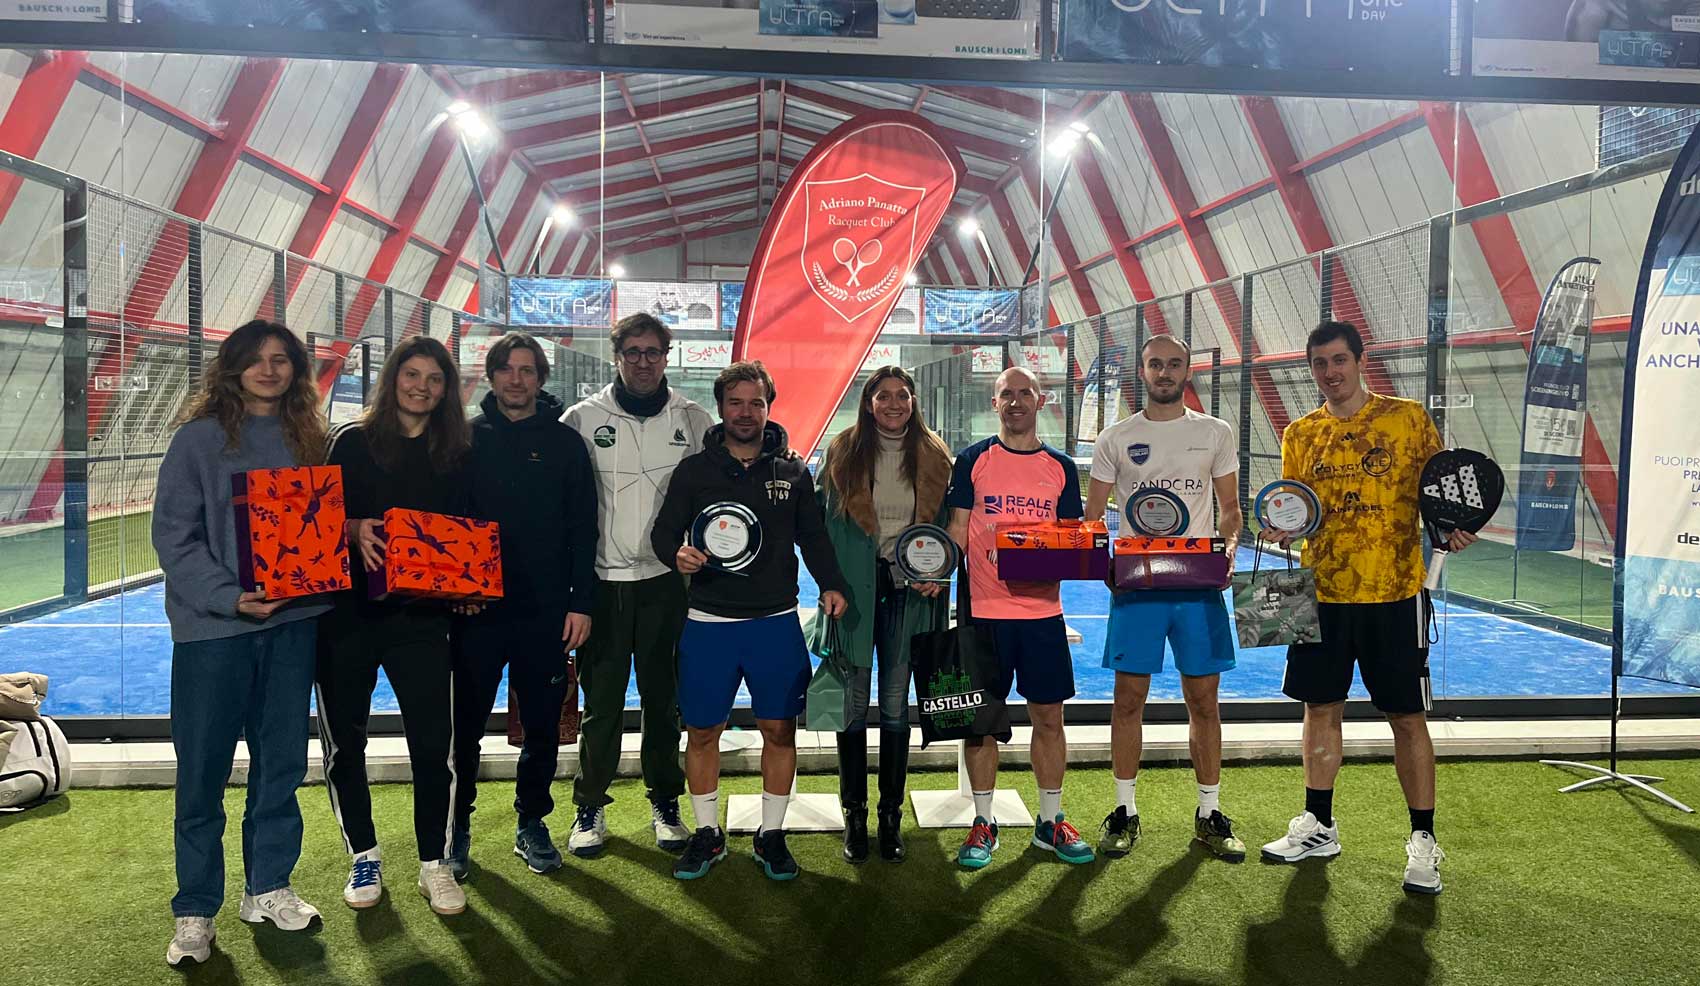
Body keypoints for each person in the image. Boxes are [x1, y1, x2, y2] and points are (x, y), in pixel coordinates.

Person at [1259, 321, 1476, 895]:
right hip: (1321, 594)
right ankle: (1319, 826)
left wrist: (1451, 528)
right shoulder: (1301, 434)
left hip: (1395, 595)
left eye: (1339, 360)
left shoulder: (1408, 420)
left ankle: (1423, 840)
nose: (1330, 372)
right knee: (1319, 710)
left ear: (1360, 361)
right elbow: (1295, 508)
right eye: (1319, 364)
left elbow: (1441, 494)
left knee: (1406, 717)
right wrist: (1280, 528)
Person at [153, 320, 331, 966]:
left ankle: (269, 887)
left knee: (280, 764)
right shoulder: (197, 441)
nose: (269, 369)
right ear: (232, 367)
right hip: (214, 632)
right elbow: (175, 538)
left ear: (296, 371)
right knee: (202, 772)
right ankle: (196, 908)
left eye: (282, 359)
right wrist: (230, 597)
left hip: (291, 627)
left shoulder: (311, 440)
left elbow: (322, 525)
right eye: (256, 359)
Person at [650, 360, 849, 882]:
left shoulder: (793, 471)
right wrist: (677, 554)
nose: (745, 412)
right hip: (708, 622)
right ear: (720, 408)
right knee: (701, 731)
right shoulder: (694, 472)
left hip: (774, 623)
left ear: (768, 407)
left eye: (755, 403)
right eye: (735, 402)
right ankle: (707, 833)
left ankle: (772, 834)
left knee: (780, 730)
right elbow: (664, 533)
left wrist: (832, 583)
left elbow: (814, 537)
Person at [315, 335, 473, 917]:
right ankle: (363, 854)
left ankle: (435, 862)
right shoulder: (349, 442)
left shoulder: (454, 452)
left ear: (446, 389)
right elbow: (312, 521)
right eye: (412, 375)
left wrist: (468, 585)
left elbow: (466, 532)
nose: (422, 387)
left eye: (434, 378)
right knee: (344, 746)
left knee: (434, 746)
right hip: (346, 618)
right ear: (392, 379)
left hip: (422, 621)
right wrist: (353, 527)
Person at [1084, 335, 1246, 863]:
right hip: (1140, 588)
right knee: (1128, 700)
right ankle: (1124, 811)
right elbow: (1093, 518)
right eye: (1156, 364)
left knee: (1204, 701)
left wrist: (1229, 548)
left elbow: (1229, 508)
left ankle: (1209, 813)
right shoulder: (1116, 438)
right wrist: (1105, 564)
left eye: (1174, 364)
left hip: (1198, 587)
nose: (1165, 372)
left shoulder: (1215, 432)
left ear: (1187, 371)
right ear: (1143, 370)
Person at [562, 312, 715, 858]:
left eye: (653, 352)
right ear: (618, 356)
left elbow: (717, 492)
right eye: (633, 352)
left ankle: (665, 801)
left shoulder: (693, 419)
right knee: (601, 706)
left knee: (663, 701)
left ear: (666, 357)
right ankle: (590, 804)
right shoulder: (582, 419)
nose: (643, 362)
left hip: (666, 584)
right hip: (603, 585)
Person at [449, 332, 598, 878]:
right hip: (476, 612)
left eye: (527, 370)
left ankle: (531, 822)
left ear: (540, 378)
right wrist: (456, 592)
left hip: (546, 612)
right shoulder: (464, 439)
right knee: (463, 726)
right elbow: (446, 523)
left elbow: (584, 528)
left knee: (541, 727)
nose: (517, 379)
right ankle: (455, 825)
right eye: (507, 369)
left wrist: (581, 603)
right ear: (491, 376)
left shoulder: (565, 444)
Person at [945, 366, 1094, 870]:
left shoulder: (1061, 467)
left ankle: (1050, 821)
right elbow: (957, 531)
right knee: (981, 724)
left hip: (1042, 614)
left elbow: (1071, 539)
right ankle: (983, 822)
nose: (1015, 401)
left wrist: (1043, 557)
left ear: (1040, 400)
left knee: (1049, 718)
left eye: (1024, 393)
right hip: (983, 613)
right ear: (995, 402)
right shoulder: (973, 460)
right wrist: (934, 572)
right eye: (1006, 394)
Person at [812, 366, 953, 864]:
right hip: (853, 596)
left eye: (902, 396)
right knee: (851, 708)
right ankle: (854, 815)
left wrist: (941, 573)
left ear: (913, 401)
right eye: (883, 396)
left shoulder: (936, 454)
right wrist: (828, 584)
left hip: (910, 595)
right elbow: (820, 527)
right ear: (868, 402)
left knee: (895, 708)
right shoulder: (842, 451)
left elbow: (948, 529)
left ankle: (889, 817)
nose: (894, 404)